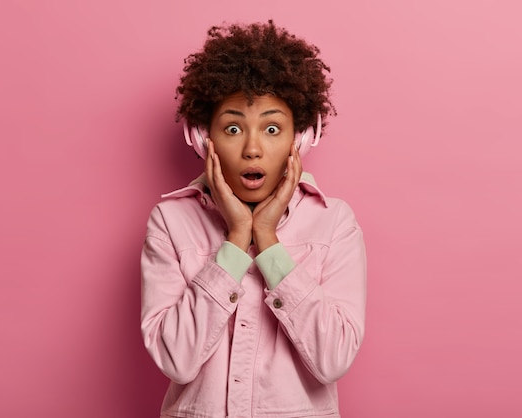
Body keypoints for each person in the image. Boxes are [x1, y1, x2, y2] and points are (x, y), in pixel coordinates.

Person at [141, 20, 366, 418]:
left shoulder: (334, 223)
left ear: (300, 138)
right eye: (232, 128)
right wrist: (235, 241)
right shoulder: (170, 222)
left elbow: (333, 360)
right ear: (201, 137)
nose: (252, 148)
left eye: (273, 128)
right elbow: (175, 359)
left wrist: (267, 241)